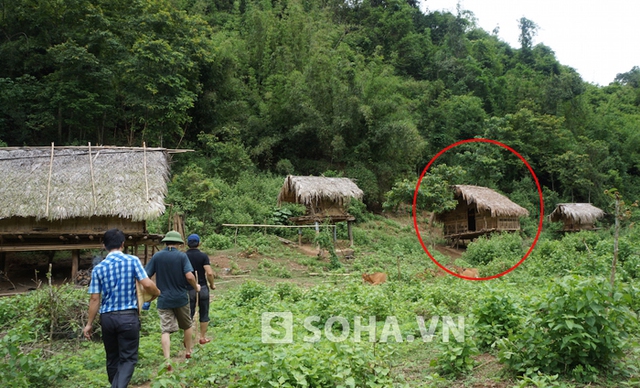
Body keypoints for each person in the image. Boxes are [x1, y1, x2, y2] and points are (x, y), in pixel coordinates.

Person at [83, 229, 160, 388]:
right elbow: (146, 283)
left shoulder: (99, 268)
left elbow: (95, 298)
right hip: (128, 318)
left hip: (107, 319)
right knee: (128, 359)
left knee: (112, 358)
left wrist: (89, 324)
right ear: (123, 244)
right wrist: (156, 292)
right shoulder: (132, 261)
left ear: (104, 246)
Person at [145, 230, 200, 368]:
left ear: (165, 242)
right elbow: (189, 276)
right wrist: (196, 286)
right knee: (187, 325)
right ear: (179, 244)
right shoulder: (182, 257)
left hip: (163, 299)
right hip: (181, 298)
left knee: (165, 330)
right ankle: (188, 351)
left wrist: (152, 292)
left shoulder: (157, 256)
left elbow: (146, 276)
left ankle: (167, 360)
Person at [185, 234, 216, 344]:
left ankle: (187, 339)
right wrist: (212, 285)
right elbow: (210, 273)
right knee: (204, 313)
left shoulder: (183, 256)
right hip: (202, 288)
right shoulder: (203, 256)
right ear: (199, 243)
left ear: (187, 244)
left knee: (189, 313)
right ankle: (202, 337)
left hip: (188, 289)